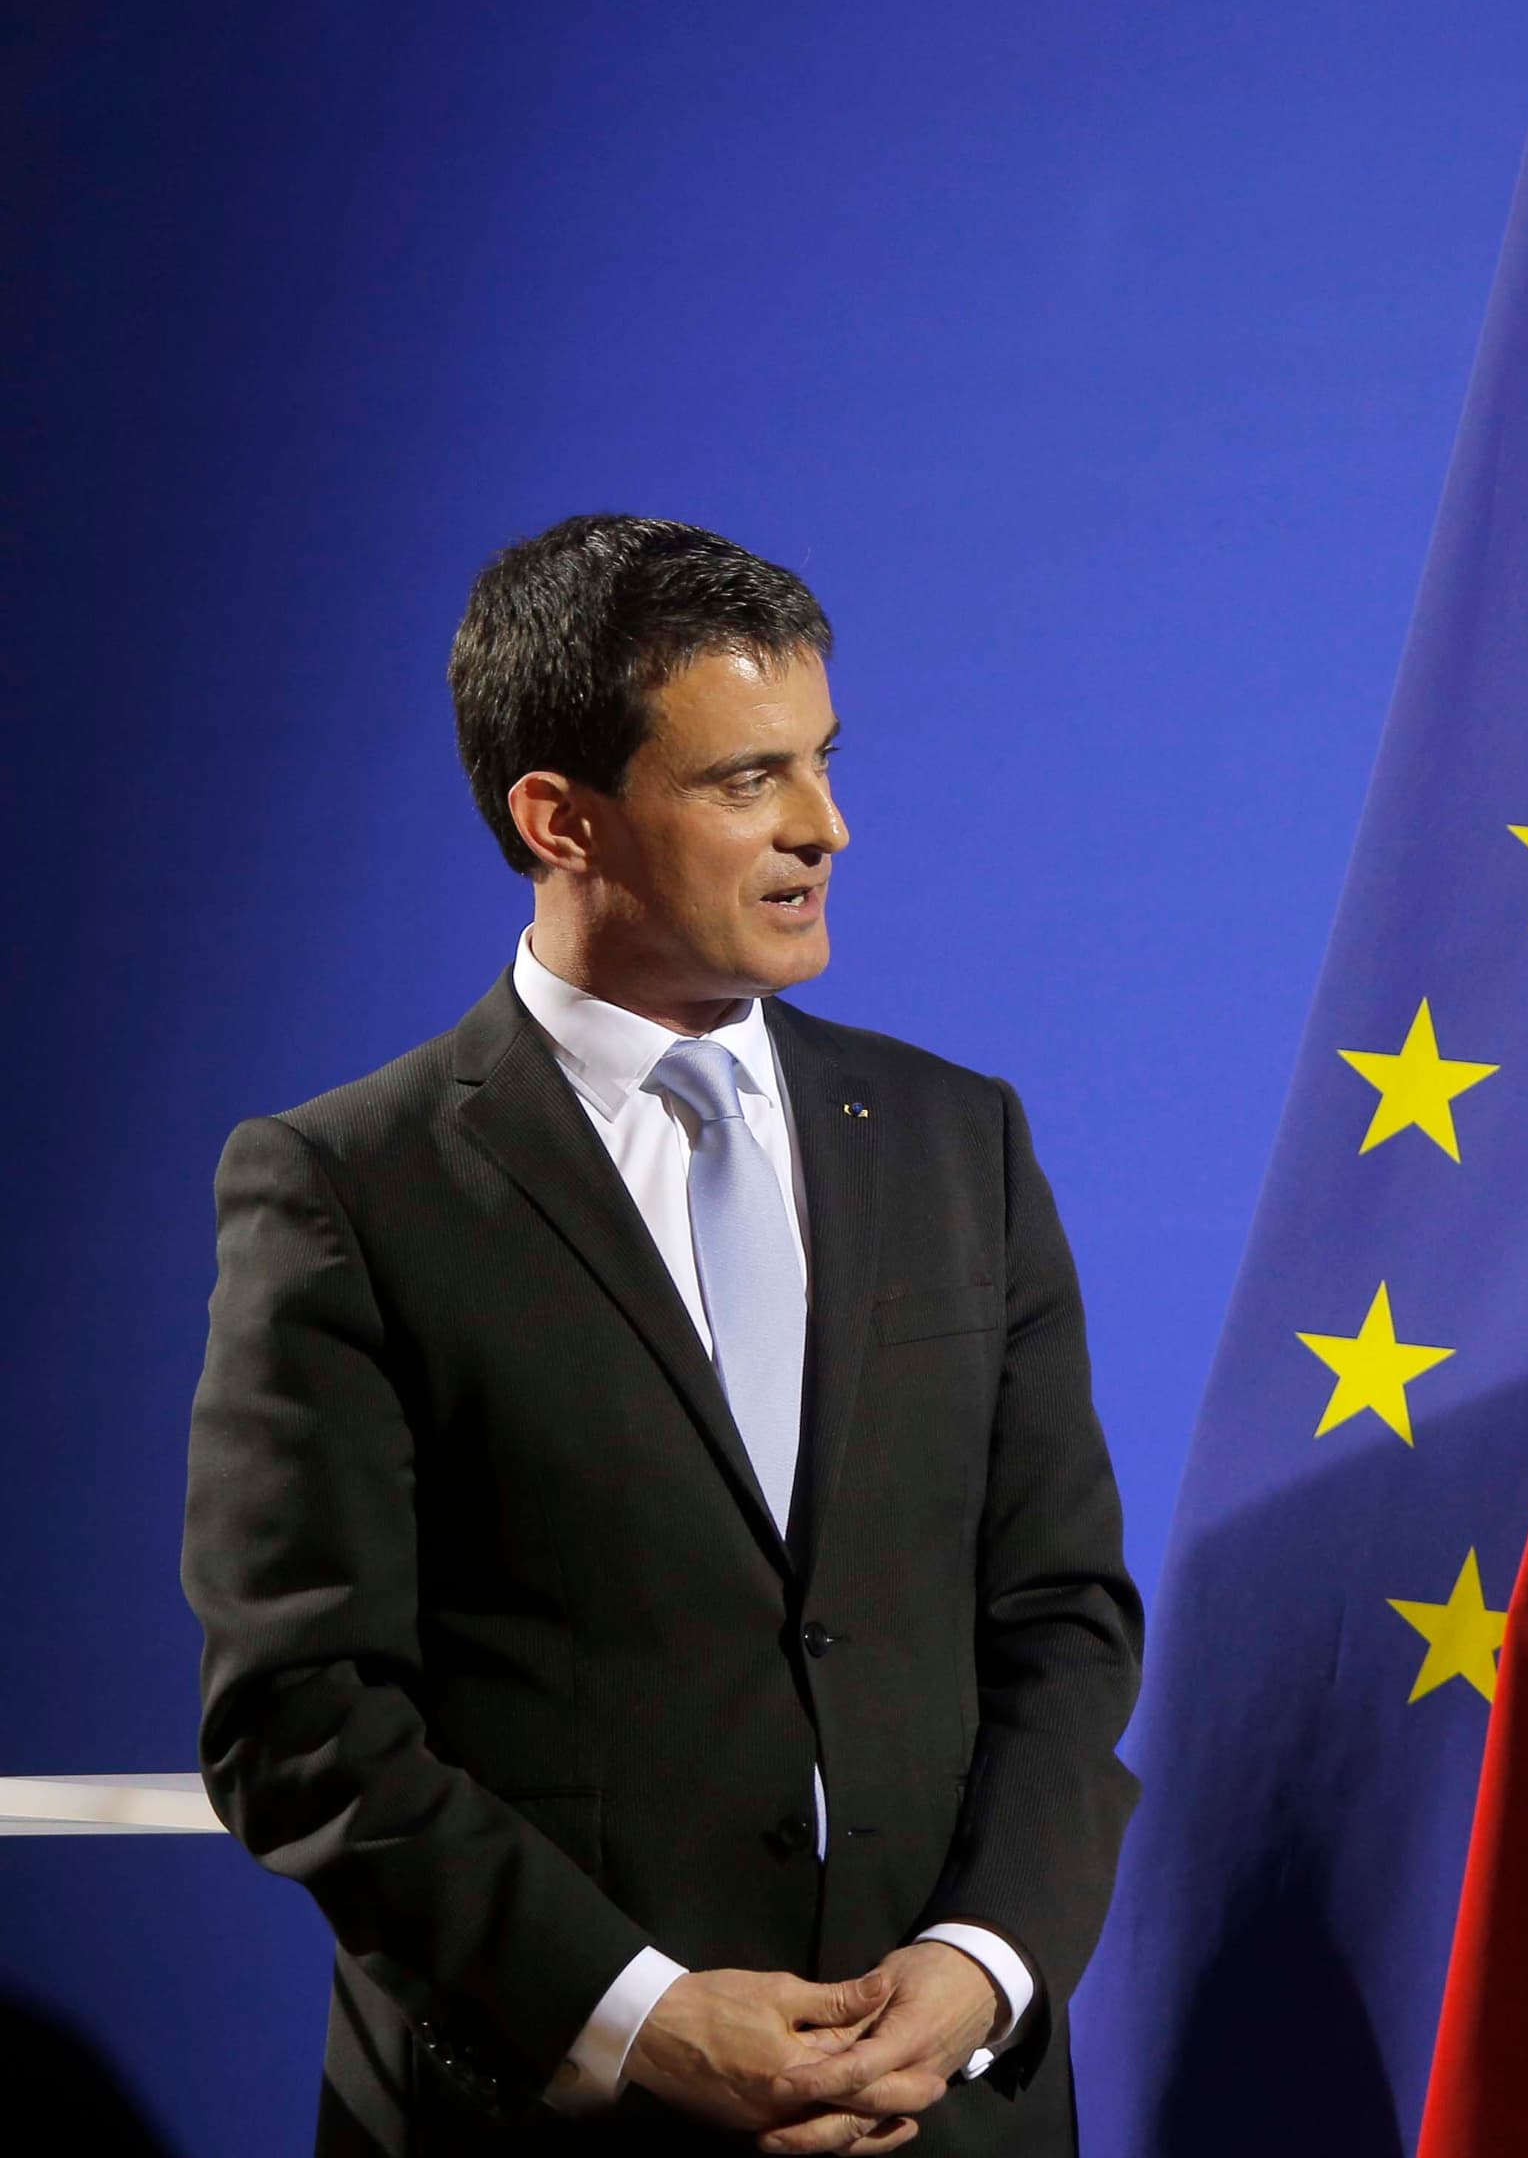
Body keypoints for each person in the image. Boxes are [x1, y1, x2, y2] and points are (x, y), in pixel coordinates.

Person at [182, 518, 1143, 2154]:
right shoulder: (349, 1187)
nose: (826, 827)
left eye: (824, 762)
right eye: (745, 779)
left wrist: (981, 1965)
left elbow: (1060, 1619)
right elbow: (304, 1716)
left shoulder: (955, 1139)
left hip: (947, 2110)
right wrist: (632, 2013)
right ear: (559, 818)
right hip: (556, 2115)